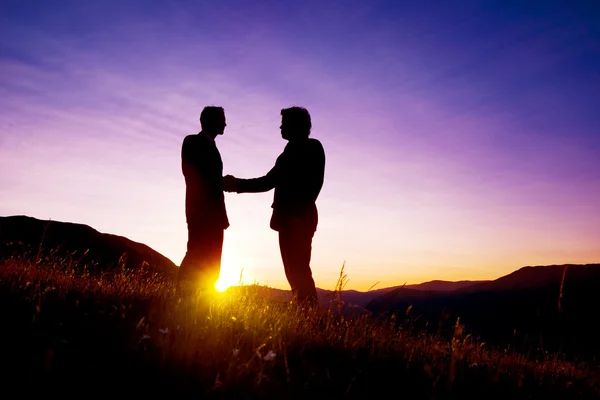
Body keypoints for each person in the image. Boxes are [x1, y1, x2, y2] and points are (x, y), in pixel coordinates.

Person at [223, 107, 325, 305]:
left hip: (298, 219)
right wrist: (236, 184)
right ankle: (306, 316)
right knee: (293, 272)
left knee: (299, 271)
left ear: (296, 125)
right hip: (287, 219)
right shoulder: (287, 153)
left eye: (284, 123)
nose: (280, 127)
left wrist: (296, 215)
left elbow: (314, 185)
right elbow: (268, 181)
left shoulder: (312, 147)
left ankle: (311, 318)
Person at [179, 106, 229, 292]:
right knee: (196, 256)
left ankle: (203, 303)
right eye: (222, 119)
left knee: (212, 262)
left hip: (214, 215)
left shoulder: (212, 147)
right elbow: (193, 174)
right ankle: (184, 298)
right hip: (201, 213)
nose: (225, 123)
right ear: (211, 120)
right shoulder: (192, 141)